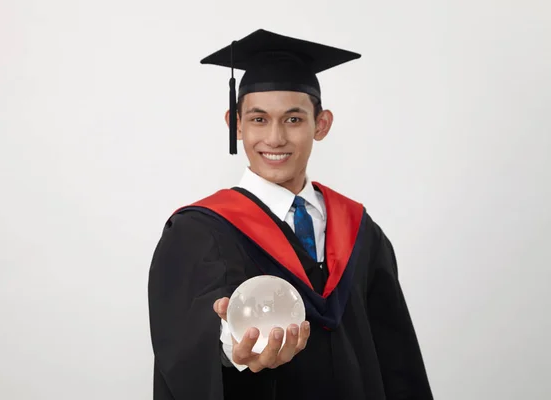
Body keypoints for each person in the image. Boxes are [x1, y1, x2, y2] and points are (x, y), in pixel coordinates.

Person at [147, 29, 433, 400]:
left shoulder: (360, 230)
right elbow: (183, 348)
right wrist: (230, 347)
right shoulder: (198, 230)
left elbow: (397, 358)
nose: (276, 138)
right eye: (259, 119)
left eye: (294, 119)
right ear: (235, 124)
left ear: (322, 124)